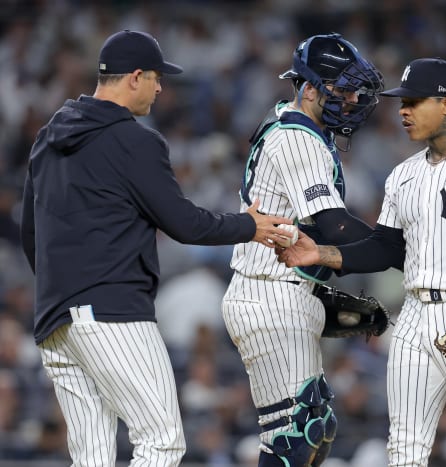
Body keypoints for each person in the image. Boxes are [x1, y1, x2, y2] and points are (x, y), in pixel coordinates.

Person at [19, 30, 292, 466]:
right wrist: (249, 225)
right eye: (156, 77)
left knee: (92, 457)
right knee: (162, 440)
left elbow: (30, 233)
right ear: (135, 77)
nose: (161, 87)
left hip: (55, 321)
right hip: (111, 313)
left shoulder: (48, 139)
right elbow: (183, 223)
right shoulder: (134, 140)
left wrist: (62, 292)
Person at [278, 57, 446, 466]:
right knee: (404, 446)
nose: (403, 110)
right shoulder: (402, 175)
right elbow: (384, 248)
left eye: (415, 101)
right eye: (402, 101)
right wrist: (324, 254)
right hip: (415, 314)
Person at [220, 33, 385, 467]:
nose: (351, 99)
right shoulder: (297, 137)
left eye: (354, 89)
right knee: (294, 439)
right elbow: (336, 225)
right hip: (268, 294)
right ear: (308, 88)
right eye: (341, 89)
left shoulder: (301, 127)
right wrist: (399, 248)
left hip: (283, 291)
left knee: (313, 431)